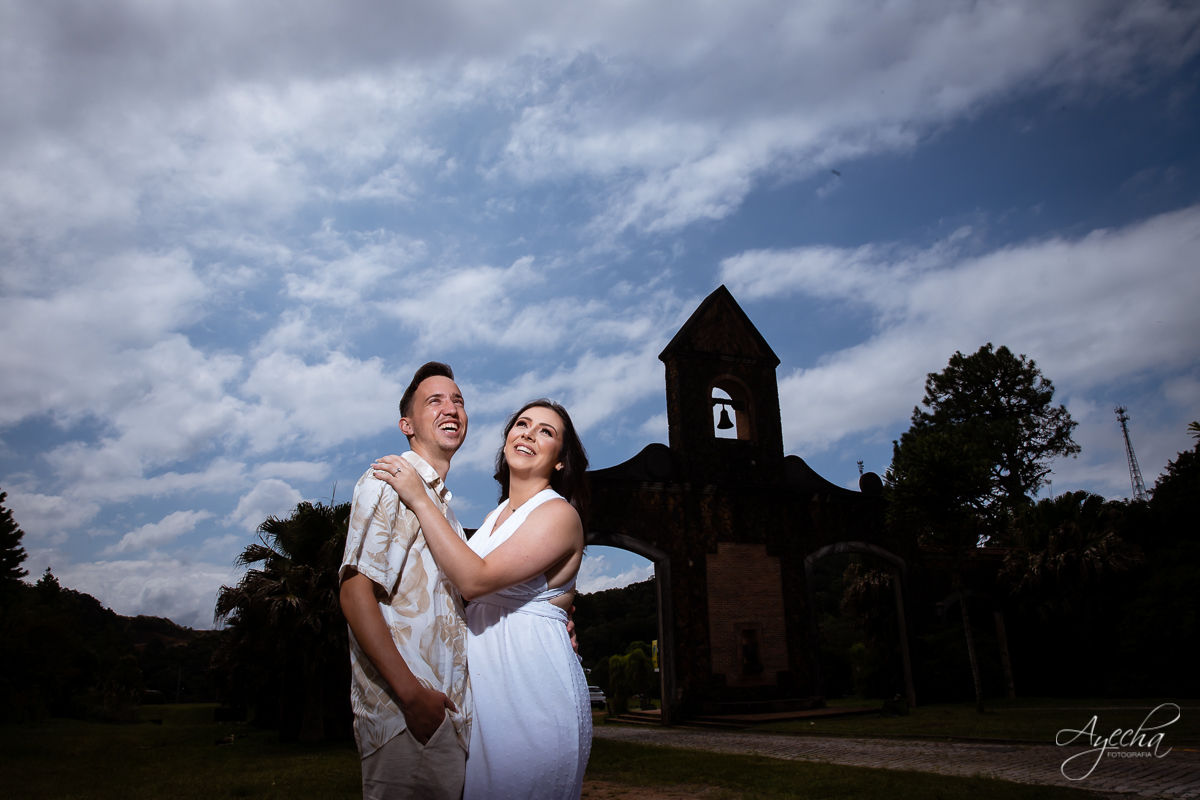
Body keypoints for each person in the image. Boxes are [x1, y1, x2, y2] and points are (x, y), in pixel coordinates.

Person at [374, 398, 593, 800]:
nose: (528, 432)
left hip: (532, 694)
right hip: (488, 698)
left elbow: (475, 580)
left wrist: (420, 498)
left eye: (546, 431)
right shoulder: (495, 518)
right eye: (522, 424)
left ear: (560, 460)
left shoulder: (559, 514)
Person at [338, 362, 472, 800]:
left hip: (443, 721)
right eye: (434, 400)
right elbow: (355, 591)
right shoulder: (389, 480)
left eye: (458, 400)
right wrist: (412, 696)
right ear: (407, 425)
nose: (450, 407)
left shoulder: (442, 509)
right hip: (407, 719)